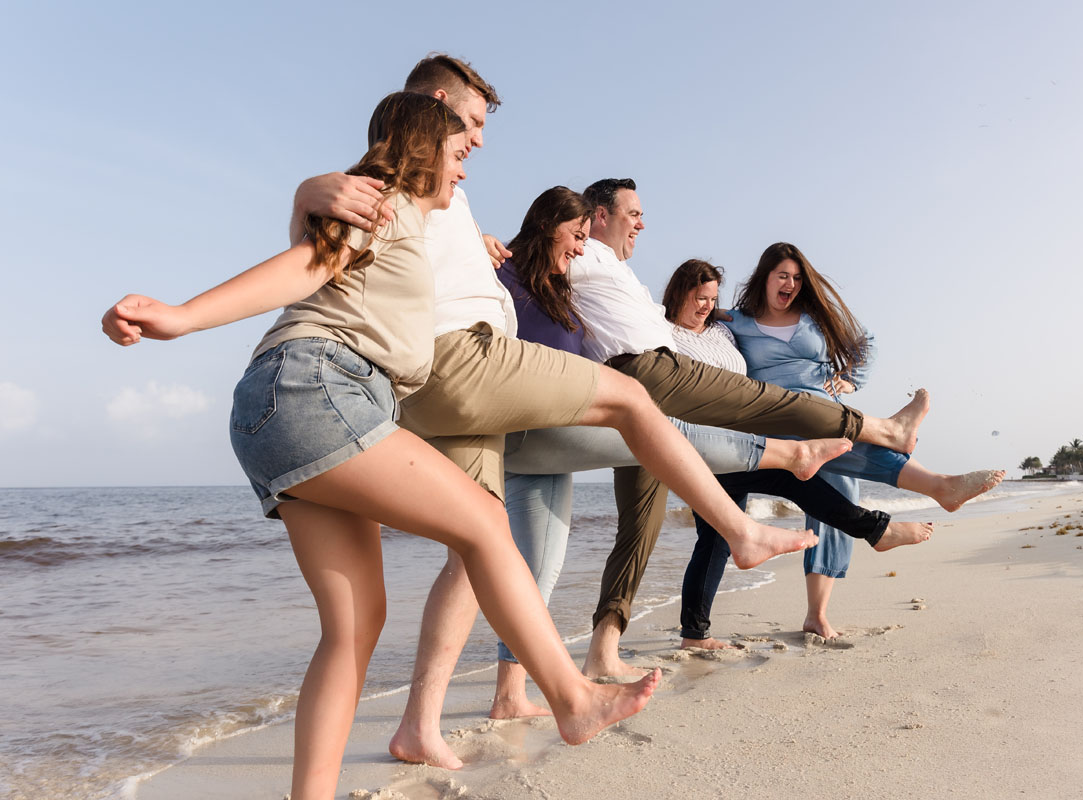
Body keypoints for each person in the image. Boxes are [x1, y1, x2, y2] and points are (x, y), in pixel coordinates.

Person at [289, 56, 847, 771]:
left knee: (479, 542)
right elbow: (320, 240)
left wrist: (481, 246)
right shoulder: (390, 179)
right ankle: (742, 521)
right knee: (631, 404)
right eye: (474, 124)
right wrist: (310, 189)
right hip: (460, 365)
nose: (480, 144)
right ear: (435, 105)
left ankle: (420, 725)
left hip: (464, 383)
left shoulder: (449, 198)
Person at [99, 93, 662, 800]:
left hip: (276, 415)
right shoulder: (385, 204)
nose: (466, 169)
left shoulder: (414, 227)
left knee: (356, 626)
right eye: (459, 154)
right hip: (318, 386)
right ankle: (571, 698)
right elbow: (308, 263)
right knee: (485, 522)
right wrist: (182, 317)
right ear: (426, 152)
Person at [488, 188, 929, 717]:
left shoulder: (681, 313)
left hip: (600, 417)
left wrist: (842, 378)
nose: (638, 227)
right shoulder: (560, 267)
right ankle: (863, 458)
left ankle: (541, 681)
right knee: (760, 444)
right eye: (631, 216)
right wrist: (481, 240)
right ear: (595, 218)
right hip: (596, 411)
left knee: (557, 558)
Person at [714, 242, 1005, 638]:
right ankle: (937, 484)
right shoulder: (736, 321)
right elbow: (696, 327)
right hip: (777, 416)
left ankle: (817, 615)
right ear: (764, 277)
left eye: (798, 278)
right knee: (834, 444)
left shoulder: (815, 319)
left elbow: (864, 341)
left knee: (836, 499)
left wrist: (850, 380)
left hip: (830, 413)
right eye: (783, 275)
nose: (791, 284)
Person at [665, 258, 943, 647]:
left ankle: (694, 634)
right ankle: (882, 523)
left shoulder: (721, 331)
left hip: (741, 442)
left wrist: (846, 379)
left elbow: (746, 329)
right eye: (697, 297)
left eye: (711, 298)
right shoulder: (662, 333)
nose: (705, 306)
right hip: (701, 446)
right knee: (784, 484)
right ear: (677, 294)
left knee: (716, 538)